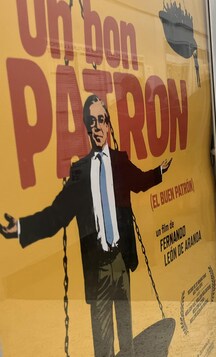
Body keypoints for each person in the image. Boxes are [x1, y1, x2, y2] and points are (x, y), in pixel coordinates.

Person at [0, 95, 173, 356]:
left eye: (101, 120)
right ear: (87, 128)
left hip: (121, 260)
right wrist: (23, 227)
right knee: (103, 343)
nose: (97, 127)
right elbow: (56, 214)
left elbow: (139, 181)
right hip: (98, 267)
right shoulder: (79, 172)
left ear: (108, 126)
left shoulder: (119, 161)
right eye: (91, 122)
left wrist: (158, 172)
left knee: (127, 336)